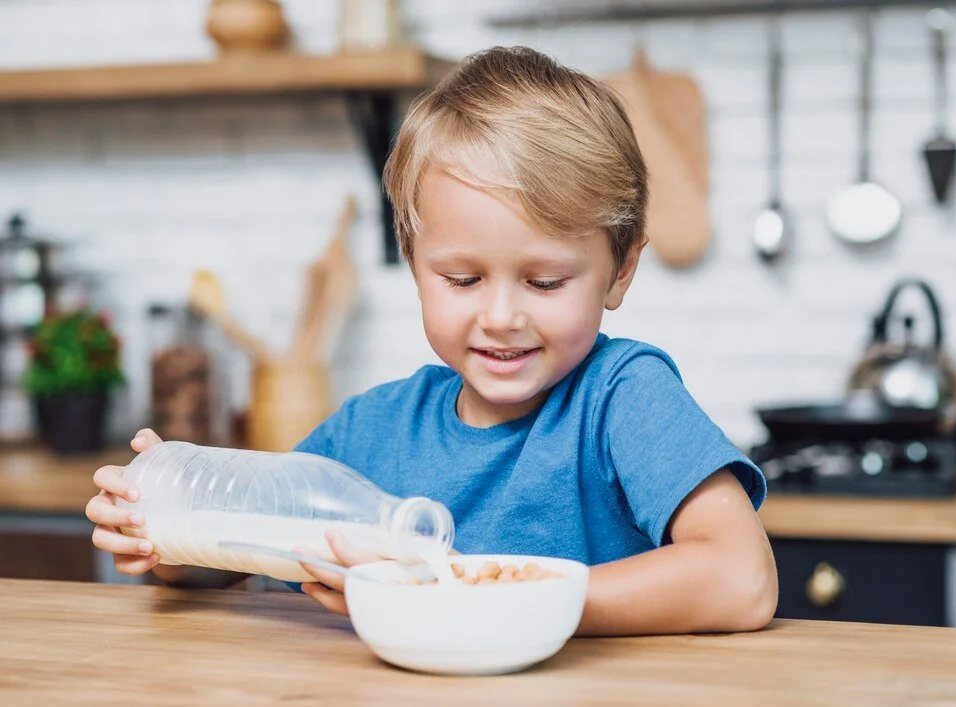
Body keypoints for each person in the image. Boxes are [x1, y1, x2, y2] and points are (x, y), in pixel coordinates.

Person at [86, 46, 778, 635]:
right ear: (414, 263)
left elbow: (741, 578)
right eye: (462, 277)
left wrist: (496, 602)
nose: (501, 315)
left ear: (619, 271)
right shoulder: (374, 430)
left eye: (544, 282)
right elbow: (249, 545)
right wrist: (169, 538)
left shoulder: (623, 398)